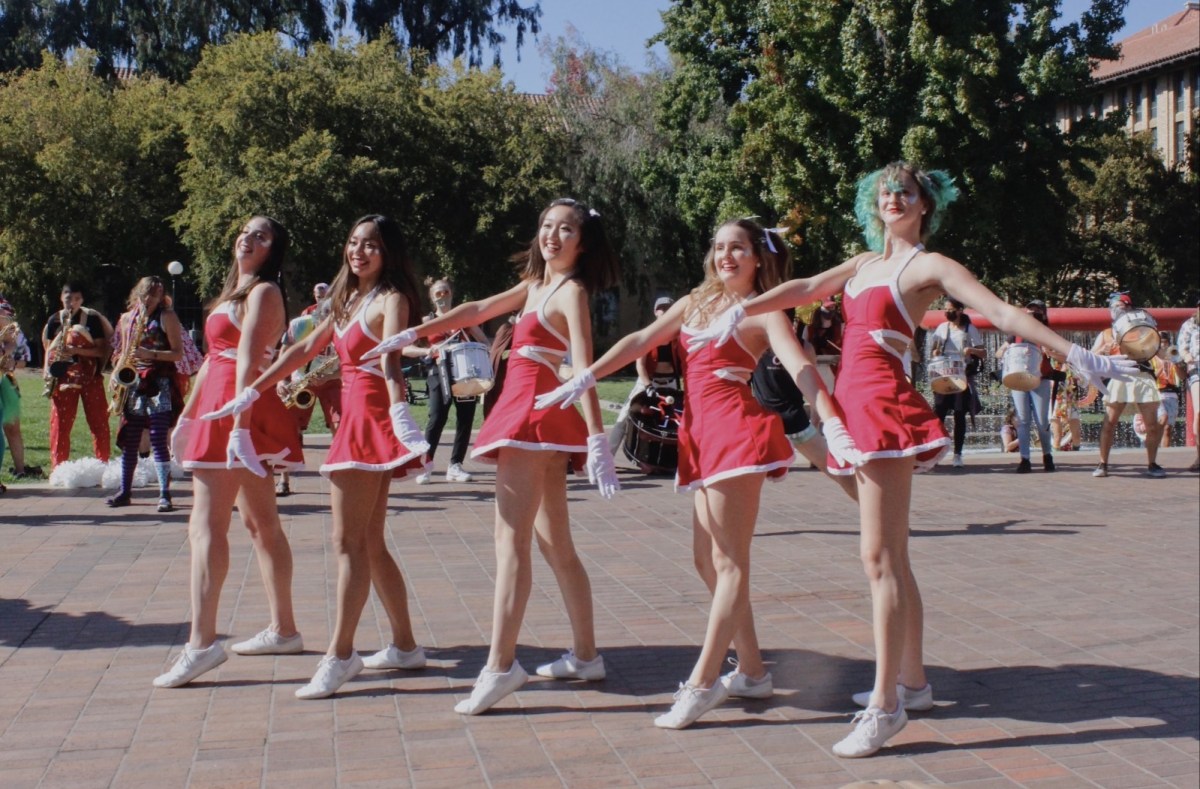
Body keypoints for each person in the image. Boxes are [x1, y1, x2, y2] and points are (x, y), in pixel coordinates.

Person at [684, 161, 1135, 757]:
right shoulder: (864, 263)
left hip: (885, 407)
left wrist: (1074, 354)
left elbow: (999, 314)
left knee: (880, 558)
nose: (893, 198)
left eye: (905, 192)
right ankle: (914, 684)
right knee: (889, 556)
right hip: (852, 407)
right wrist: (738, 308)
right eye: (884, 192)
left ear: (926, 204)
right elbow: (802, 290)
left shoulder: (928, 265)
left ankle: (887, 704)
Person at [536, 217, 861, 729]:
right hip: (700, 436)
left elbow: (798, 365)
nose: (726, 255)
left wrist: (832, 419)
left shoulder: (764, 306)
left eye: (738, 248)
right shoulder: (699, 299)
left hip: (737, 430)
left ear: (758, 258)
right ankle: (752, 672)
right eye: (719, 247)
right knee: (706, 563)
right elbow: (644, 336)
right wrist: (588, 375)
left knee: (729, 563)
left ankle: (702, 683)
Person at [363, 197, 621, 715]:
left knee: (511, 544)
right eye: (546, 226)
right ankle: (587, 655)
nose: (551, 235)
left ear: (582, 241)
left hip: (533, 418)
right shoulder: (536, 286)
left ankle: (501, 667)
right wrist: (416, 331)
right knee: (555, 546)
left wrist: (598, 437)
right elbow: (477, 310)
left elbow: (585, 367)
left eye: (564, 229)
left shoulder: (570, 292)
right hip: (529, 416)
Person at [206, 214, 431, 699]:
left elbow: (391, 355)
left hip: (370, 419)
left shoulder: (392, 298)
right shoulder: (348, 299)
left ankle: (340, 655)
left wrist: (398, 409)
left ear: (388, 252)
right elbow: (306, 346)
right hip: (352, 416)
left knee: (347, 543)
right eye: (353, 242)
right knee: (369, 541)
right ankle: (406, 646)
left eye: (371, 244)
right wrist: (255, 389)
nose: (359, 251)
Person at [152, 216, 305, 689]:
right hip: (222, 406)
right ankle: (284, 629)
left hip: (237, 411)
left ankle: (201, 644)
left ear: (273, 250)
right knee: (259, 523)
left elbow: (246, 361)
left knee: (205, 524)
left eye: (262, 235)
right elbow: (211, 364)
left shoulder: (263, 293)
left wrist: (236, 425)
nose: (248, 237)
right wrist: (188, 415)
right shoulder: (232, 294)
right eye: (245, 230)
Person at [750, 307, 858, 500]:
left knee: (839, 470)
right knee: (838, 470)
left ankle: (881, 517)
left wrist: (819, 420)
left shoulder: (756, 345)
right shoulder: (800, 347)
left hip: (781, 423)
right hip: (783, 423)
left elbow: (813, 384)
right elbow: (814, 385)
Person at [105, 277, 184, 511]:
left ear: (161, 297)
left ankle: (164, 493)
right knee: (130, 439)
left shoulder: (167, 317)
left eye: (155, 295)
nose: (149, 299)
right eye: (145, 293)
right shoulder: (128, 318)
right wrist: (115, 373)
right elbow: (121, 352)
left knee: (159, 438)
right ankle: (125, 490)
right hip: (133, 383)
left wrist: (151, 354)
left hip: (159, 382)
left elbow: (178, 353)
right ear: (137, 294)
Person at [403, 279, 489, 484]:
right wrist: (426, 350)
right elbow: (405, 348)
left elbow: (485, 342)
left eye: (445, 292)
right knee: (436, 417)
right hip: (437, 372)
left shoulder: (464, 320)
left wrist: (477, 349)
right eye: (438, 293)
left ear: (451, 294)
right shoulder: (427, 321)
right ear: (432, 297)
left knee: (465, 418)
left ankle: (456, 465)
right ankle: (426, 464)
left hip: (465, 374)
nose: (442, 296)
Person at [1091, 293, 1165, 478]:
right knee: (1109, 422)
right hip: (1119, 375)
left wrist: (1174, 354)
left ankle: (1152, 463)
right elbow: (1091, 358)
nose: (1118, 309)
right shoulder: (1106, 333)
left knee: (1152, 425)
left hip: (1142, 374)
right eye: (1114, 306)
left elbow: (1162, 353)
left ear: (1131, 308)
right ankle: (1102, 463)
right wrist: (1103, 351)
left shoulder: (1144, 329)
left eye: (1122, 306)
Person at [42, 283, 114, 467]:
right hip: (63, 378)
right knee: (60, 426)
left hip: (91, 378)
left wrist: (75, 350)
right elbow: (48, 350)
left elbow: (101, 350)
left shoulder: (91, 319)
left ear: (81, 300)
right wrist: (48, 371)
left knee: (99, 422)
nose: (71, 303)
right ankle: (58, 467)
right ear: (61, 297)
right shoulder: (54, 320)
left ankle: (102, 464)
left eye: (76, 299)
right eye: (68, 299)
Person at [274, 298, 341, 496]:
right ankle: (283, 480)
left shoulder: (344, 328)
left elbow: (350, 364)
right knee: (289, 428)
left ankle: (340, 473)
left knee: (340, 424)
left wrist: (329, 376)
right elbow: (284, 354)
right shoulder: (300, 325)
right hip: (301, 379)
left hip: (332, 378)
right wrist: (281, 381)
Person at [607, 296, 685, 455]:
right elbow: (640, 365)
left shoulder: (679, 336)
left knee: (675, 421)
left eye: (669, 309)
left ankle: (676, 459)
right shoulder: (649, 335)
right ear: (656, 312)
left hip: (670, 383)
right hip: (648, 381)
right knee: (624, 416)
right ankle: (607, 457)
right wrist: (648, 386)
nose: (665, 312)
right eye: (662, 309)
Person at [995, 299, 1060, 473]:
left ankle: (1047, 455)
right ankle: (1025, 459)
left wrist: (1050, 351)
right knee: (1022, 420)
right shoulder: (1017, 332)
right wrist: (1003, 352)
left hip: (1041, 379)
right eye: (1030, 310)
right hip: (1019, 378)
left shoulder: (1046, 333)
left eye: (1036, 311)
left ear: (1043, 314)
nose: (1032, 313)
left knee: (1041, 420)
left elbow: (1061, 355)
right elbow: (999, 352)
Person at [926, 297, 984, 468]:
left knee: (959, 414)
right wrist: (935, 351)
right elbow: (933, 350)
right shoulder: (942, 328)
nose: (947, 312)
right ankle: (935, 452)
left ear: (960, 310)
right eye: (946, 309)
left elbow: (983, 352)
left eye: (950, 309)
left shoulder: (969, 329)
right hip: (942, 373)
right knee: (939, 414)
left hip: (960, 374)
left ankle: (957, 454)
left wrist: (971, 350)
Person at [0, 300, 41, 479]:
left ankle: (20, 469)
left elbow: (25, 360)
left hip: (7, 382)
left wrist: (13, 361)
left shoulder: (15, 333)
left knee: (12, 426)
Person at [1151, 331, 1184, 448]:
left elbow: (1182, 377)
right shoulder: (1151, 358)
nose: (1163, 346)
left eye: (1165, 343)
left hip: (1172, 394)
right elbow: (1150, 378)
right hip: (1157, 393)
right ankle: (1153, 448)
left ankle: (1164, 451)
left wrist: (1175, 362)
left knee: (1168, 428)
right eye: (1160, 343)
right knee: (1162, 419)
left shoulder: (1174, 357)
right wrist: (1162, 366)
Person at [1178, 299, 1200, 472]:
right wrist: (1186, 357)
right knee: (1199, 413)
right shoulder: (1190, 324)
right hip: (1197, 371)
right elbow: (1182, 347)